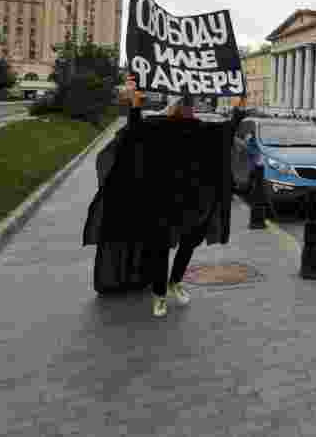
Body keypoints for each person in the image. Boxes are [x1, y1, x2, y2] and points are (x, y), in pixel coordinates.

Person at [84, 76, 232, 317]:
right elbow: (135, 130)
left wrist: (239, 108)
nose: (188, 108)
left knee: (189, 243)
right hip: (163, 200)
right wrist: (135, 103)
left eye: (190, 105)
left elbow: (226, 132)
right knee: (160, 248)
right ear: (174, 107)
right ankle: (160, 294)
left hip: (193, 201)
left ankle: (175, 282)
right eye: (183, 104)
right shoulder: (158, 127)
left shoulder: (202, 129)